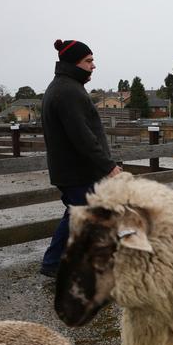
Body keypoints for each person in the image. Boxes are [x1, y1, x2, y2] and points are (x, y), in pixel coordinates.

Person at [40, 39, 122, 277]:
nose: (93, 66)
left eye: (92, 60)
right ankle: (58, 262)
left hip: (73, 169)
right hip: (77, 171)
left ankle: (57, 262)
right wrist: (108, 166)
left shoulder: (65, 87)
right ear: (73, 63)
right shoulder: (67, 91)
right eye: (88, 61)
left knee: (79, 215)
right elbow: (82, 136)